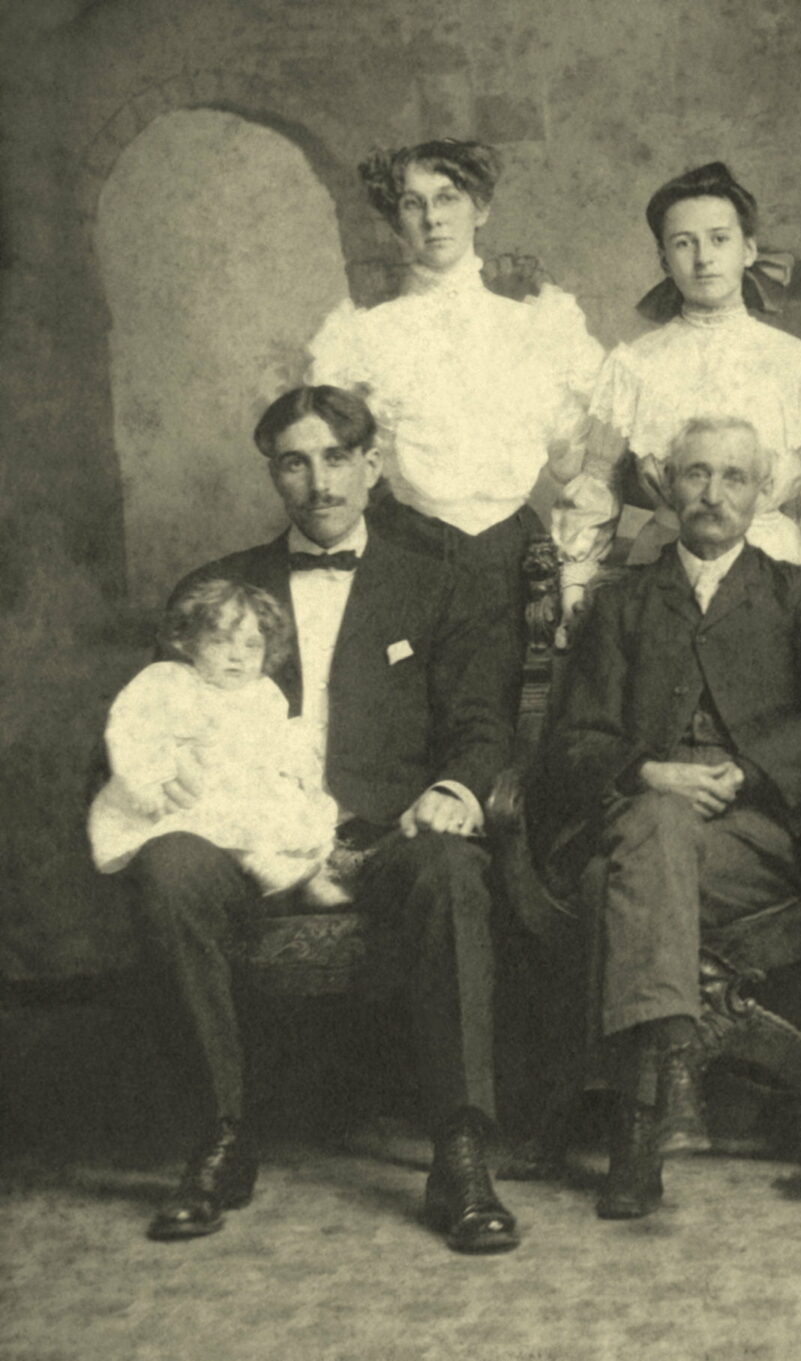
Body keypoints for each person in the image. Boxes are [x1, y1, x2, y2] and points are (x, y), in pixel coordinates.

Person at [121, 385, 523, 1253]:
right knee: (167, 869)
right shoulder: (219, 590)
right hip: (249, 831)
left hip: (383, 836)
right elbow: (154, 718)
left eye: (337, 458)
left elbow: (483, 721)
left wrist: (456, 786)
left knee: (452, 872)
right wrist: (172, 776)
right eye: (295, 462)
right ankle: (220, 1137)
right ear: (274, 474)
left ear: (372, 465)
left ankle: (459, 1150)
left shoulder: (440, 583)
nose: (319, 482)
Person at [534, 415, 801, 1222]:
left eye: (734, 477)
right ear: (666, 484)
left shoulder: (796, 593)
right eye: (696, 473)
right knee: (650, 829)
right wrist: (649, 770)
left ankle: (637, 1108)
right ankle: (660, 1098)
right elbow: (573, 738)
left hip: (756, 834)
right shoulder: (625, 602)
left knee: (618, 874)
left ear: (761, 492)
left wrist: (751, 768)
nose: (713, 493)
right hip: (643, 817)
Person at [307, 138, 605, 632]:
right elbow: (335, 461)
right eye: (413, 203)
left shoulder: (535, 324)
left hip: (506, 556)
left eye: (448, 198)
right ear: (395, 217)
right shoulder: (360, 333)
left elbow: (576, 456)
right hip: (401, 547)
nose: (433, 218)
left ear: (481, 209)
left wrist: (575, 567)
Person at [559, 161, 801, 584]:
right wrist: (575, 581)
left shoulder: (799, 365)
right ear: (663, 259)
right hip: (661, 573)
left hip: (774, 573)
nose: (703, 259)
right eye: (683, 243)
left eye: (719, 239)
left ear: (748, 249)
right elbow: (597, 486)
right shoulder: (632, 366)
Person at [89, 580, 339, 901]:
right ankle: (259, 864)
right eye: (221, 641)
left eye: (252, 645)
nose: (237, 656)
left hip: (246, 788)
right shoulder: (166, 681)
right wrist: (152, 779)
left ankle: (306, 873)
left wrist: (293, 767)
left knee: (284, 813)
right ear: (188, 643)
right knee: (202, 817)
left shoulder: (263, 692)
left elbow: (273, 740)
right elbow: (133, 732)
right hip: (181, 792)